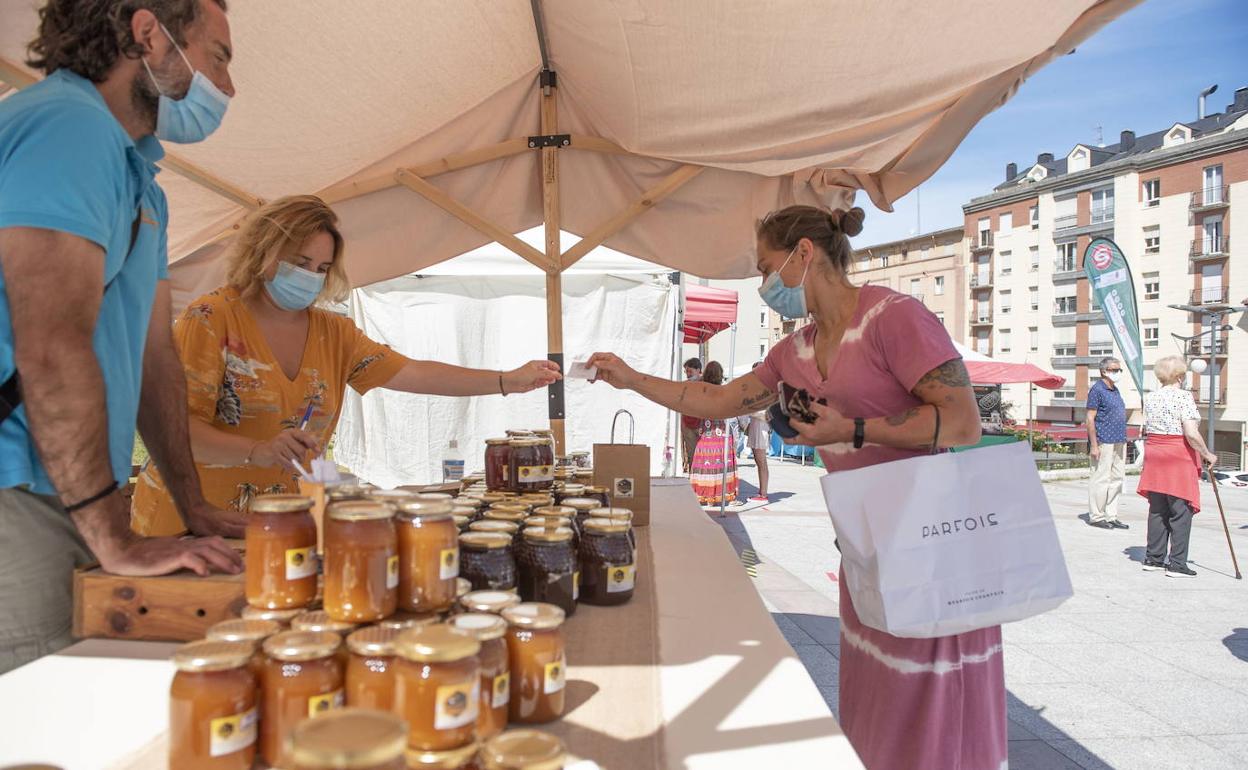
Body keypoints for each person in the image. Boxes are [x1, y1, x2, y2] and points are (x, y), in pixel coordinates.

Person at [589, 205, 1001, 769]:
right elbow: (717, 399)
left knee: (930, 702)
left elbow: (962, 422)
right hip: (866, 548)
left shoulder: (895, 317)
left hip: (932, 549)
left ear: (804, 253)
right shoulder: (794, 350)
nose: (763, 284)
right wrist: (631, 378)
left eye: (765, 267)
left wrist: (851, 430)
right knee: (877, 699)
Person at [0, 0, 246, 673]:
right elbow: (49, 347)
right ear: (148, 35)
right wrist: (116, 539)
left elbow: (154, 356)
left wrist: (191, 503)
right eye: (217, 57)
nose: (226, 88)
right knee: (39, 717)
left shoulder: (139, 176)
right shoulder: (67, 128)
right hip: (18, 489)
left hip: (67, 490)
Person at [130, 195, 561, 534]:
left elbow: (411, 372)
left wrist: (506, 380)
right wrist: (257, 451)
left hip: (274, 523)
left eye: (320, 268)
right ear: (264, 252)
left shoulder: (331, 332)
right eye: (299, 263)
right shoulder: (210, 319)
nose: (310, 276)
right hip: (189, 523)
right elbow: (174, 430)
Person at [1136, 356, 1217, 578]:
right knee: (1181, 510)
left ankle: (1153, 558)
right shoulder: (1183, 398)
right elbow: (1190, 432)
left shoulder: (1150, 398)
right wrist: (1207, 454)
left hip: (1155, 454)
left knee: (1158, 508)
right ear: (1180, 376)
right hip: (1176, 455)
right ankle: (1177, 563)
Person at [1086, 357, 1130, 530]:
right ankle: (1097, 516)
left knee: (1117, 479)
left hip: (1119, 439)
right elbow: (1090, 418)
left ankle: (1111, 515)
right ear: (1104, 371)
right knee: (1101, 478)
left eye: (1119, 369)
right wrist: (1094, 445)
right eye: (1114, 369)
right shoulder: (1097, 390)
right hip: (1104, 440)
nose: (1117, 372)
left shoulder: (1115, 390)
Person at [688, 361, 738, 507]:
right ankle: (717, 495)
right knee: (720, 466)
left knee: (705, 465)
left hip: (706, 434)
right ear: (721, 375)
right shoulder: (725, 391)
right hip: (722, 434)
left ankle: (704, 494)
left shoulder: (701, 391)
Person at [745, 361, 771, 502]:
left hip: (761, 428)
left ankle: (763, 494)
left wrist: (750, 410)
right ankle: (762, 491)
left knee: (761, 461)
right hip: (755, 426)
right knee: (758, 460)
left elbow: (767, 413)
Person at [680, 357, 702, 472]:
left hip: (701, 424)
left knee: (703, 456)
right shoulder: (684, 385)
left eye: (690, 371)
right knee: (691, 455)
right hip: (687, 424)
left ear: (698, 370)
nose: (688, 374)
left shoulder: (705, 385)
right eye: (686, 371)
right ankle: (693, 479)